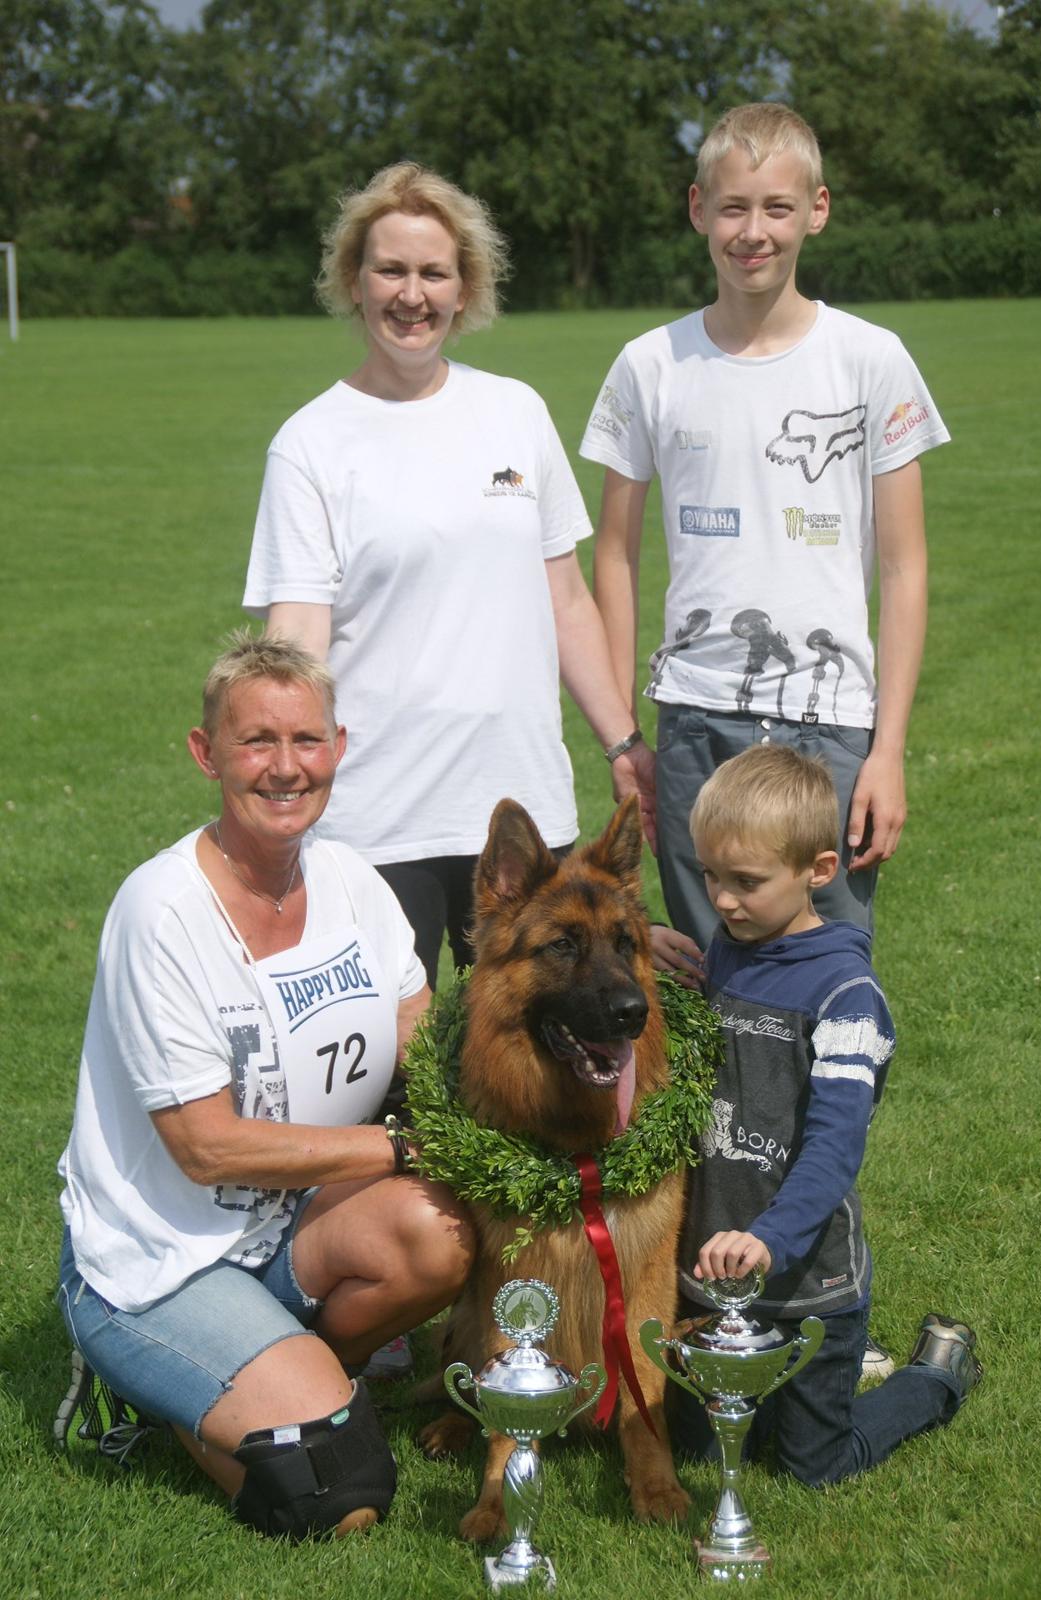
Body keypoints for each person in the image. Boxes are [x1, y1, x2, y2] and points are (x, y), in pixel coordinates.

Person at [54, 633, 473, 1538]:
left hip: (291, 1225)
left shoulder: (353, 882)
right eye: (256, 743)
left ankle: (295, 1373)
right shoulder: (161, 912)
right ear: (208, 754)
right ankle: (154, 1390)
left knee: (441, 1237)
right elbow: (206, 1148)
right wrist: (397, 1148)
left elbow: (424, 1043)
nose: (286, 769)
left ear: (339, 748)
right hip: (162, 1257)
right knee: (338, 1497)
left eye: (307, 741)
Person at [243, 161, 655, 991]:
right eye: (390, 269)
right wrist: (273, 757)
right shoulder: (311, 443)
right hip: (373, 821)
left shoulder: (515, 411)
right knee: (385, 1078)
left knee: (535, 1071)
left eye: (433, 273)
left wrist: (621, 741)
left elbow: (565, 598)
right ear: (353, 282)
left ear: (464, 288)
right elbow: (296, 636)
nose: (411, 293)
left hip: (520, 819)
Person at [581, 101, 949, 949]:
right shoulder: (649, 365)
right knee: (708, 974)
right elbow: (613, 555)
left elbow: (903, 569)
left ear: (815, 211)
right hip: (693, 723)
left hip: (830, 729)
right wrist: (624, 739)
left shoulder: (870, 358)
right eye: (734, 207)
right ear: (697, 209)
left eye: (777, 208)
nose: (753, 232)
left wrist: (886, 749)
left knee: (825, 972)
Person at [650, 746, 981, 1486]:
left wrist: (769, 1238)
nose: (723, 900)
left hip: (808, 1284)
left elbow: (833, 1148)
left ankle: (936, 1375)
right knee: (698, 1455)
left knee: (812, 1468)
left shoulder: (846, 996)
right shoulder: (731, 948)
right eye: (709, 876)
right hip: (710, 1276)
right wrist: (637, 945)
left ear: (818, 871)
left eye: (746, 882)